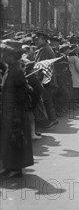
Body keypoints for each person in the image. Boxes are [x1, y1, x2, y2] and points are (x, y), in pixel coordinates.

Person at [0, 40, 34, 179]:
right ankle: (10, 166)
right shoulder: (11, 68)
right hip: (9, 109)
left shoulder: (16, 71)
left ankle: (16, 168)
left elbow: (22, 93)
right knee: (8, 139)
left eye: (5, 55)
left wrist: (16, 112)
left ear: (11, 56)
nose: (2, 57)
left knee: (15, 137)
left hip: (15, 110)